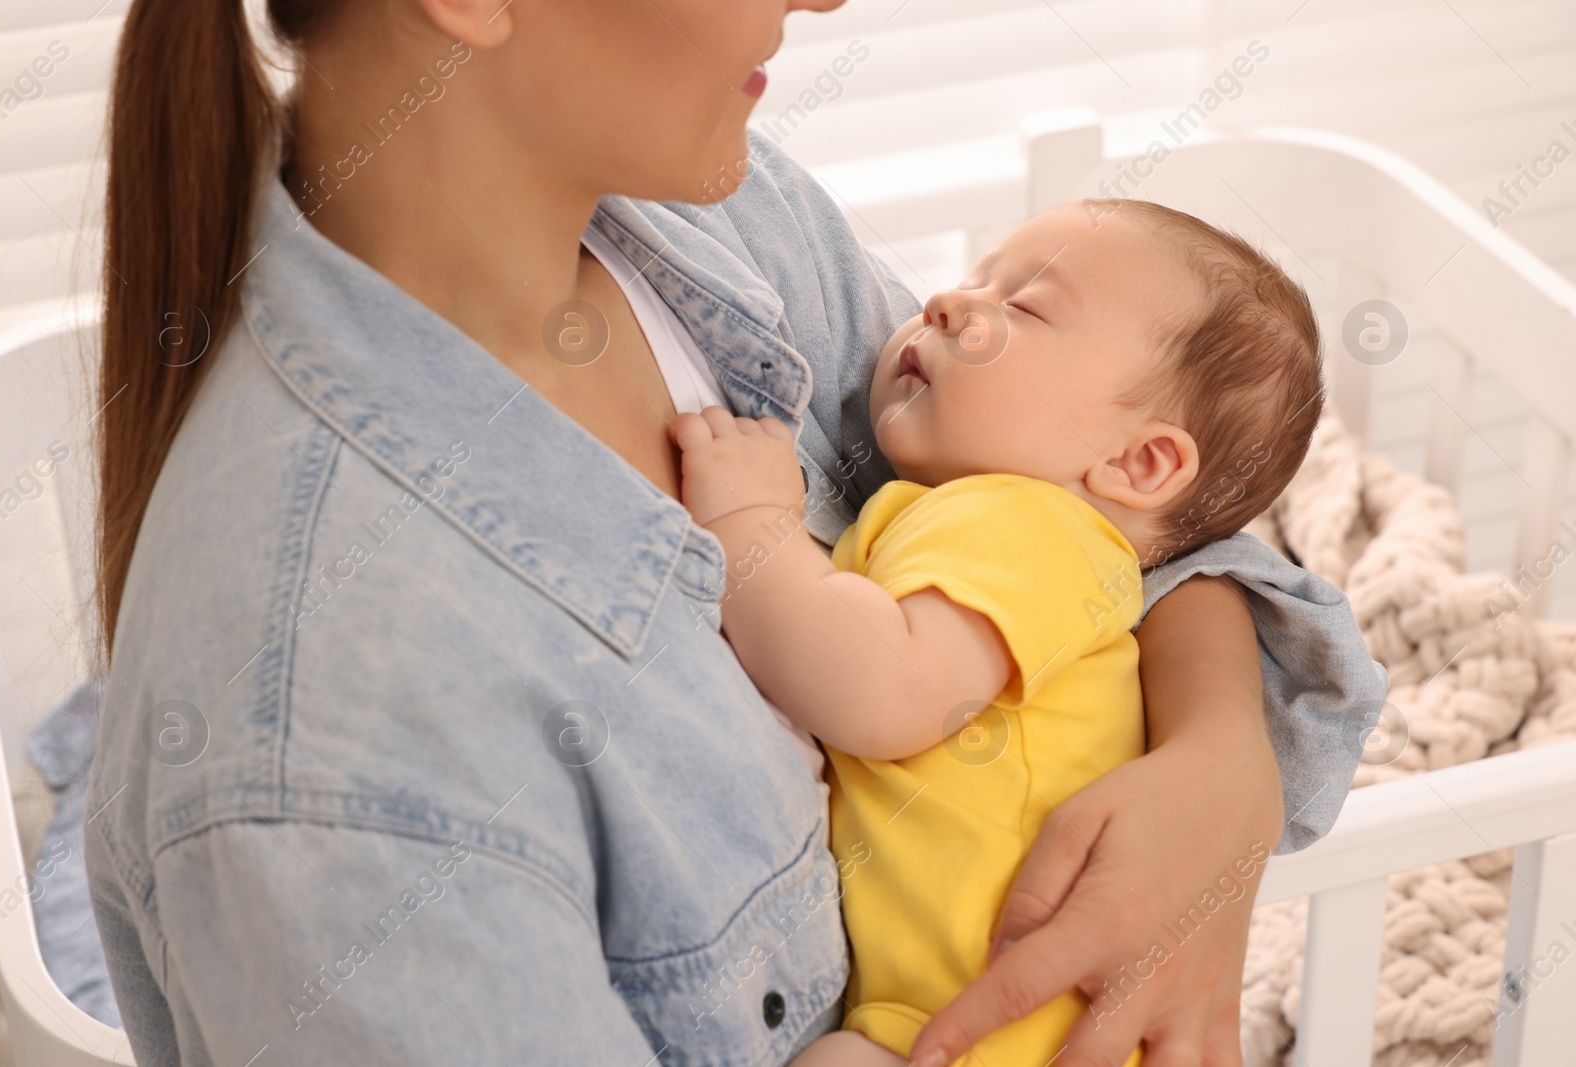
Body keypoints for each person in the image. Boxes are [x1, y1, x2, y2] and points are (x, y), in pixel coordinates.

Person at [83, 1, 1388, 1065]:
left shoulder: (716, 217)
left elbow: (1124, 505)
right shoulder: (336, 759)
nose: (825, 0)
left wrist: (1221, 764)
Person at [673, 199, 1329, 1066]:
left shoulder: (1031, 528)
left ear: (1140, 462)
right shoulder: (994, 525)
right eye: (974, 276)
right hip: (958, 1019)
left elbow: (882, 690)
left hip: (1010, 1027)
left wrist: (751, 523)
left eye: (1023, 306)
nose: (946, 300)